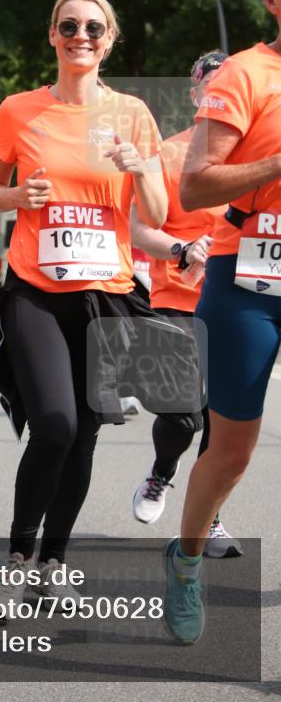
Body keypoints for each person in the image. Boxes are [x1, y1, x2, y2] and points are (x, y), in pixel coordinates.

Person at [0, 0, 170, 612]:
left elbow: (159, 211)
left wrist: (141, 167)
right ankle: (16, 556)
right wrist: (17, 199)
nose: (80, 36)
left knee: (85, 434)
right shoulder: (18, 110)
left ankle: (53, 561)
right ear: (53, 35)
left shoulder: (134, 114)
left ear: (109, 38)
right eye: (69, 26)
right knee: (56, 424)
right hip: (34, 289)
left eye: (93, 27)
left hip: (106, 295)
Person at [163, 0, 281, 644]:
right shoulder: (242, 75)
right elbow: (195, 182)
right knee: (231, 449)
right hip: (247, 279)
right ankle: (185, 558)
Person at [130, 50, 241, 557]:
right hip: (175, 298)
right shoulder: (168, 154)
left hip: (237, 301)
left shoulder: (256, 157)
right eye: (208, 90)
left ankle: (208, 517)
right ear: (196, 97)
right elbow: (139, 228)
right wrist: (182, 247)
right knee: (181, 413)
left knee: (221, 421)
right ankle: (160, 474)